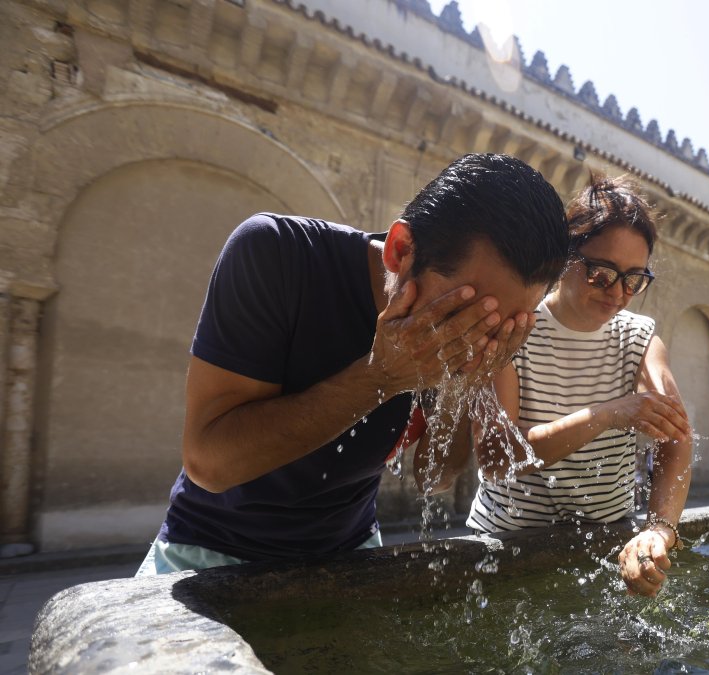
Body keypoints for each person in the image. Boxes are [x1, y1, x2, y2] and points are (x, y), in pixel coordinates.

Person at [136, 153, 570, 575]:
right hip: (209, 550)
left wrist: (468, 383)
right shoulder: (279, 254)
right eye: (464, 315)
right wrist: (381, 376)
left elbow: (433, 478)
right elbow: (209, 463)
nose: (475, 336)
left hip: (351, 554)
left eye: (503, 325)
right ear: (401, 251)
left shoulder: (465, 332)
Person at [467, 174, 693, 598]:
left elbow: (676, 439)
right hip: (506, 546)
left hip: (605, 546)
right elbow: (495, 456)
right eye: (601, 273)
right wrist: (606, 414)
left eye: (633, 279)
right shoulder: (516, 326)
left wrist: (659, 530)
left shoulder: (639, 338)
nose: (618, 293)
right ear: (565, 255)